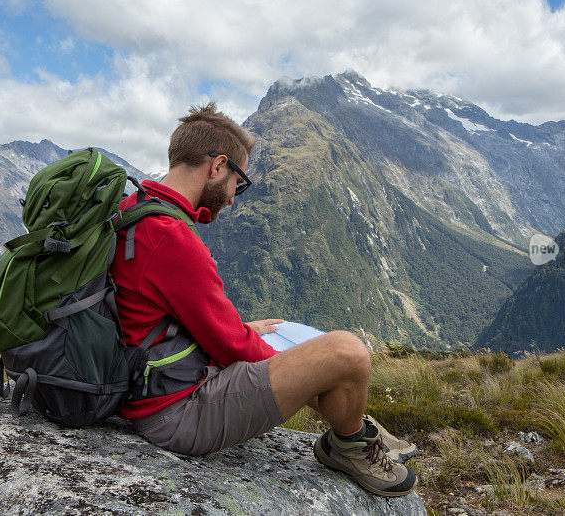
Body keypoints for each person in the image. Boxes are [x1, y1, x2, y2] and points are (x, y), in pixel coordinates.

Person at [110, 102, 418, 497]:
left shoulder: (133, 208)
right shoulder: (173, 238)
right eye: (240, 183)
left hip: (150, 385)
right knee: (347, 353)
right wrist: (297, 361)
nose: (234, 198)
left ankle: (359, 430)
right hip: (176, 413)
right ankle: (350, 443)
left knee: (288, 343)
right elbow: (234, 347)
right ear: (218, 166)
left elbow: (157, 313)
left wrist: (248, 334)